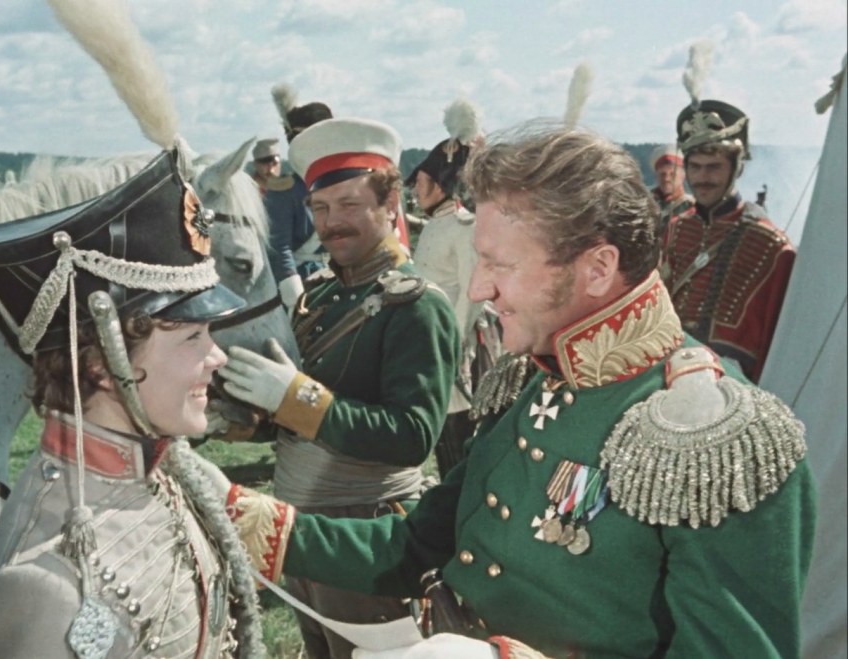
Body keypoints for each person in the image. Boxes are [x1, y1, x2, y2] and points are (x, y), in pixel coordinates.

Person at [217, 120, 816, 658]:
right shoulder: (537, 375)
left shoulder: (720, 439)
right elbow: (418, 541)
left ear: (598, 268)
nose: (478, 289)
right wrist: (236, 513)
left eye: (499, 265)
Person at [0, 148, 269, 658]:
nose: (217, 356)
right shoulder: (39, 590)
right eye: (192, 336)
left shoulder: (164, 477)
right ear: (102, 364)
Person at [217, 116, 461, 659]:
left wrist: (294, 398)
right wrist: (251, 420)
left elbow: (411, 436)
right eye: (320, 208)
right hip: (300, 528)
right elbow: (305, 423)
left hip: (366, 536)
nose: (331, 223)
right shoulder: (321, 296)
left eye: (350, 205)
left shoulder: (417, 306)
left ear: (391, 204)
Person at [661, 100, 796, 382]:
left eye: (713, 167)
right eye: (695, 167)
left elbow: (778, 336)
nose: (702, 178)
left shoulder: (771, 246)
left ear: (737, 169)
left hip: (733, 384)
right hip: (666, 373)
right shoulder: (674, 230)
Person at [406, 98, 502, 478]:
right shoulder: (436, 223)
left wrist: (453, 340)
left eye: (422, 183)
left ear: (442, 184)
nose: (416, 190)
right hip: (436, 339)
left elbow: (472, 291)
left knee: (462, 436)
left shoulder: (464, 226)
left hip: (460, 345)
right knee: (444, 434)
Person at [265, 83, 334, 315]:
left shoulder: (340, 181)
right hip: (304, 280)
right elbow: (279, 247)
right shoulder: (284, 189)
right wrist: (295, 296)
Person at [650, 144, 694, 234]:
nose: (666, 179)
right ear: (655, 176)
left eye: (672, 174)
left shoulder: (692, 206)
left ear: (683, 176)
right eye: (662, 174)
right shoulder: (646, 204)